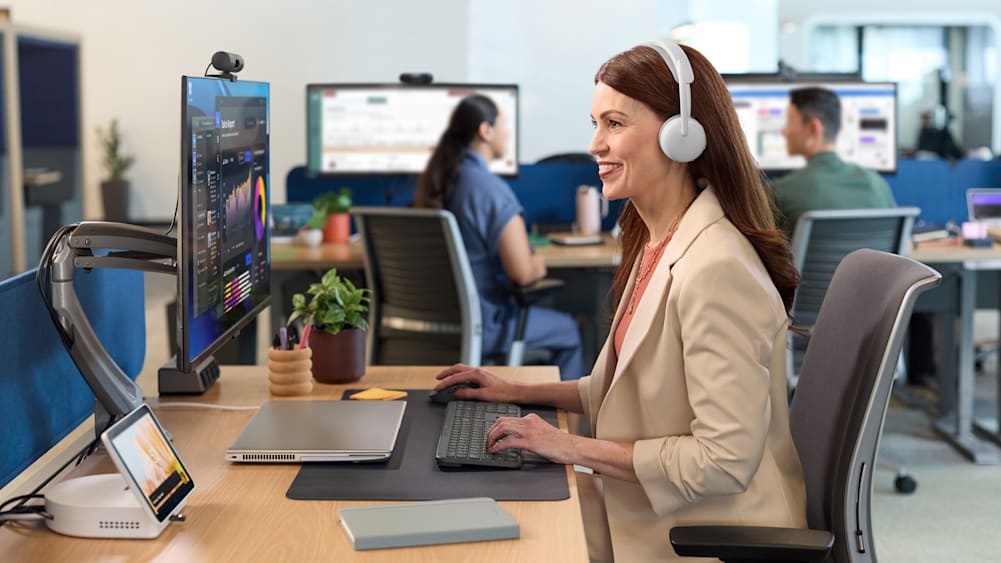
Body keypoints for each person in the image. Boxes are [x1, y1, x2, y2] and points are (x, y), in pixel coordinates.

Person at [432, 41, 807, 561]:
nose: (594, 144)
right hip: (648, 506)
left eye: (614, 124)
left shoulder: (716, 268)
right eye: (596, 123)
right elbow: (631, 393)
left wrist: (569, 446)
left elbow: (722, 461)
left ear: (683, 135)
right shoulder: (658, 239)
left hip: (705, 533)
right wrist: (513, 389)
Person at [413, 95, 585, 380]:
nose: (507, 133)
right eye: (503, 125)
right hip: (485, 324)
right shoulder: (489, 190)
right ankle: (566, 427)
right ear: (485, 131)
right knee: (568, 331)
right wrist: (537, 264)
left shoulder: (440, 180)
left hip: (434, 326)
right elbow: (522, 274)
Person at [770, 87, 896, 238]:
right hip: (867, 263)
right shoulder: (876, 184)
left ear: (813, 128)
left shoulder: (780, 191)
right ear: (840, 128)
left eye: (789, 122)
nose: (784, 131)